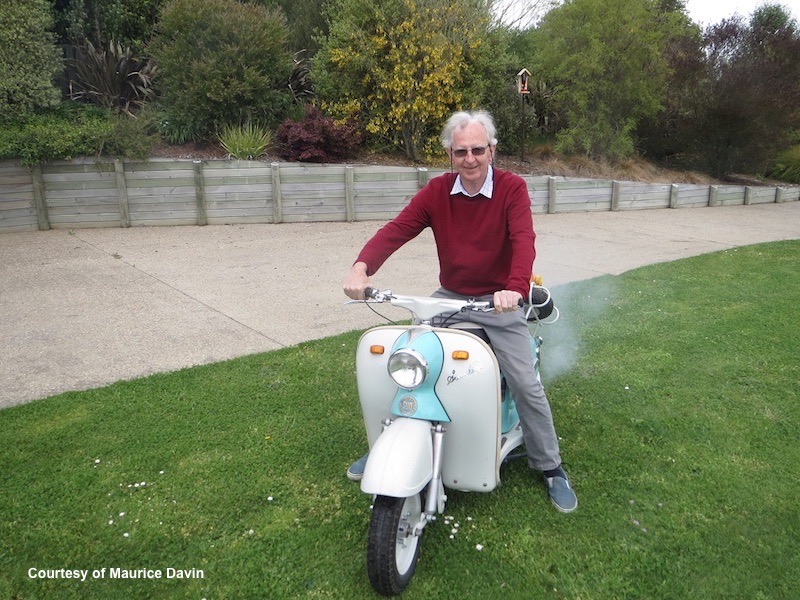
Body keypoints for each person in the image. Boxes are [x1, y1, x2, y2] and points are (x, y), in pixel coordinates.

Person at [342, 110, 577, 513]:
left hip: (498, 300)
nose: (470, 159)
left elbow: (524, 241)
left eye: (478, 150)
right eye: (461, 151)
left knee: (523, 380)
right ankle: (390, 445)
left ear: (492, 151)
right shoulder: (436, 192)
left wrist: (515, 290)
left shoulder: (512, 189)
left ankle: (550, 465)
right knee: (409, 359)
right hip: (450, 296)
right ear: (450, 154)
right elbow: (398, 229)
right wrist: (361, 266)